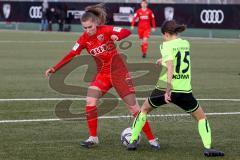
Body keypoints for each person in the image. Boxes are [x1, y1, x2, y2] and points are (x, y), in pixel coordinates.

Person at [45, 4, 160, 149]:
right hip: (103, 74)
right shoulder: (83, 39)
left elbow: (125, 32)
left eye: (90, 27)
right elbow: (71, 54)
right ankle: (93, 138)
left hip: (119, 73)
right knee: (90, 100)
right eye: (85, 28)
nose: (88, 30)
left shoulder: (106, 30)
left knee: (134, 109)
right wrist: (55, 68)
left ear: (96, 23)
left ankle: (151, 139)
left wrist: (117, 36)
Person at [127, 20, 224, 157]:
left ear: (166, 34)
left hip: (164, 88)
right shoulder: (185, 44)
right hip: (184, 90)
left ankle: (132, 141)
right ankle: (208, 147)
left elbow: (171, 65)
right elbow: (177, 57)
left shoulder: (165, 45)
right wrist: (163, 59)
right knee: (201, 118)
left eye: (163, 35)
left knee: (144, 109)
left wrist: (167, 90)